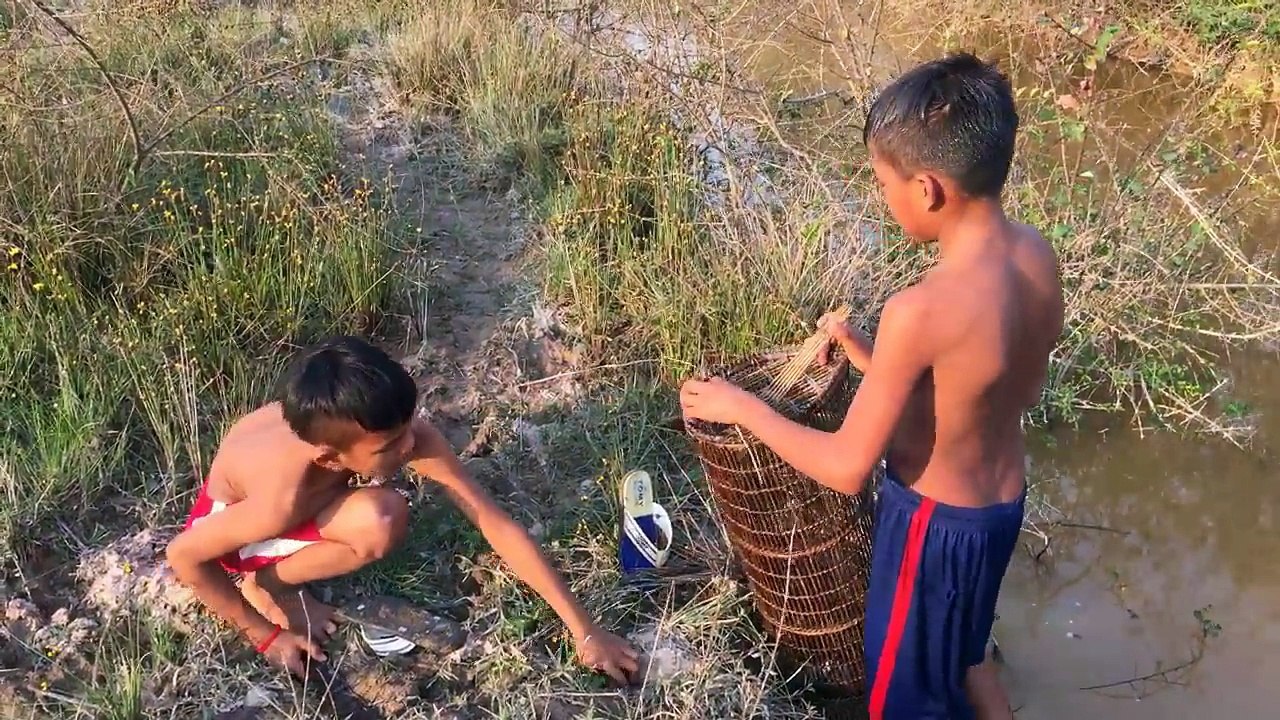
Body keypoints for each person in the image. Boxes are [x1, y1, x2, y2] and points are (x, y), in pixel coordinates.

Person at [679, 52, 1063, 720]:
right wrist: (873, 360)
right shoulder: (1035, 255)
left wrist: (741, 406)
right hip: (1001, 509)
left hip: (932, 529)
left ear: (928, 190)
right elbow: (993, 387)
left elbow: (846, 468)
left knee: (902, 700)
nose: (883, 199)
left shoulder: (921, 309)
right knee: (968, 656)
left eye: (884, 183)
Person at [166, 335, 639, 682]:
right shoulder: (279, 501)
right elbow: (184, 556)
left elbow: (490, 518)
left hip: (303, 489)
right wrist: (264, 636)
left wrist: (584, 629)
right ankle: (267, 583)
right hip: (236, 529)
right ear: (330, 458)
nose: (414, 444)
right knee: (380, 520)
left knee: (384, 510)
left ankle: (277, 574)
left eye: (409, 425)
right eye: (393, 443)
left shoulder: (363, 430)